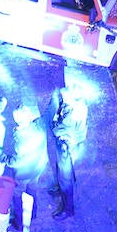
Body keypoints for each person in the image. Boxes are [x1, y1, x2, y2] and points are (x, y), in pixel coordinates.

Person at [47, 87, 87, 220]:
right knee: (63, 172)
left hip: (66, 147)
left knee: (65, 178)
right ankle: (61, 188)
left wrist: (52, 124)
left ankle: (68, 209)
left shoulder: (72, 115)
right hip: (68, 145)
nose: (62, 100)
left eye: (64, 98)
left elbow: (58, 129)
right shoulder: (77, 105)